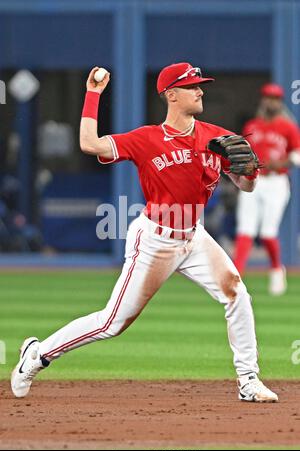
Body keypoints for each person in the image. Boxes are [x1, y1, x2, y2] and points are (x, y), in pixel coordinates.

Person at [11, 63, 278, 403]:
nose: (200, 90)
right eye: (192, 86)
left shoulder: (216, 135)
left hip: (194, 236)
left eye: (200, 85)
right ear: (171, 95)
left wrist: (249, 173)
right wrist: (93, 94)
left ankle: (248, 379)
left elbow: (245, 185)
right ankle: (38, 354)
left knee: (237, 294)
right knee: (112, 322)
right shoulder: (147, 139)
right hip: (155, 239)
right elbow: (89, 144)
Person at [233, 83, 300, 295]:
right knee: (245, 229)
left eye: (275, 98)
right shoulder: (252, 125)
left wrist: (281, 163)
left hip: (277, 181)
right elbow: (242, 153)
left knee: (268, 232)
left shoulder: (288, 126)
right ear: (263, 100)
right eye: (267, 97)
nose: (271, 101)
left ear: (279, 102)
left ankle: (275, 270)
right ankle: (236, 277)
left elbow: (297, 155)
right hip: (255, 180)